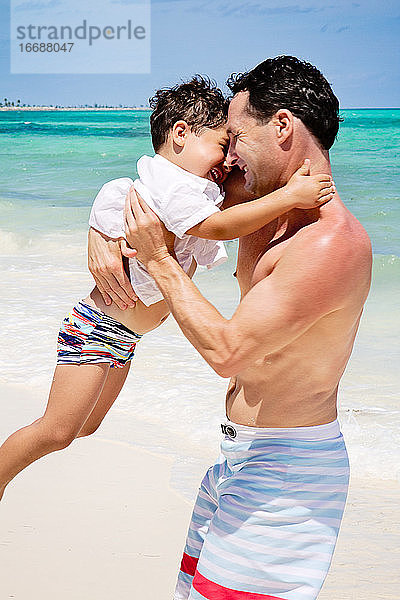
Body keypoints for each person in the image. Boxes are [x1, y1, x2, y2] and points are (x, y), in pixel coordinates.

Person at [90, 56, 372, 600]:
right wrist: (100, 235)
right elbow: (154, 191)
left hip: (287, 477)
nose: (227, 154)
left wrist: (159, 261)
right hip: (235, 457)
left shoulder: (329, 244)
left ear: (284, 127)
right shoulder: (262, 208)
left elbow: (229, 353)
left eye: (237, 136)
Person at [0, 76, 333, 502]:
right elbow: (214, 226)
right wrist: (289, 196)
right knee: (57, 431)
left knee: (86, 427)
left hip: (125, 335)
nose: (228, 158)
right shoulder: (176, 186)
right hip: (97, 327)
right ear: (180, 134)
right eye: (220, 144)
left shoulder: (187, 185)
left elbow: (142, 194)